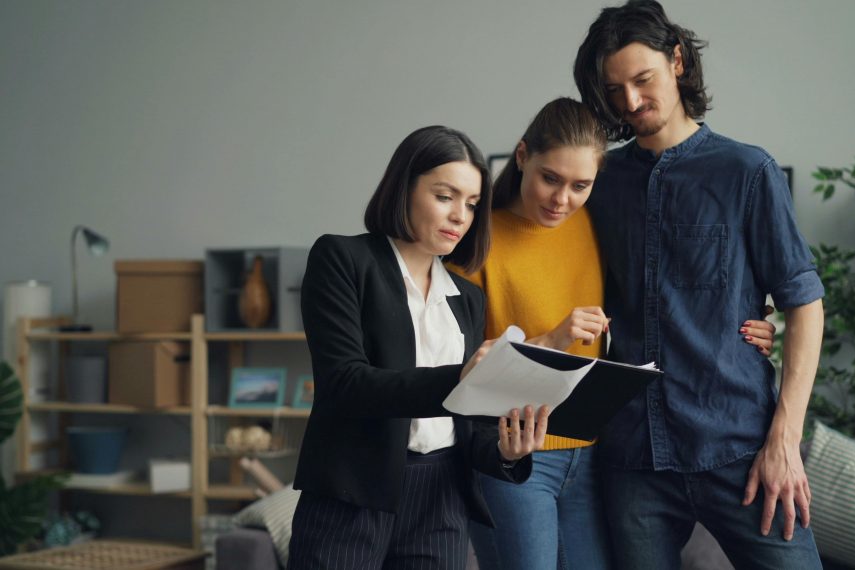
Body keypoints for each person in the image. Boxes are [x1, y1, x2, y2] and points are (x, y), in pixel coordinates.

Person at [451, 98, 777, 569]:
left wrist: (753, 322)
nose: (561, 199)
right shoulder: (476, 241)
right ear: (522, 156)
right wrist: (552, 341)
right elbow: (459, 373)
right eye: (550, 178)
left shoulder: (593, 223)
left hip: (590, 455)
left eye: (580, 185)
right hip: (513, 452)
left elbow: (663, 291)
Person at [573, 1, 825, 568]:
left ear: (678, 60)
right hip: (633, 455)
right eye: (614, 90)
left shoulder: (747, 172)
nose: (630, 102)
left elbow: (804, 301)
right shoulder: (600, 183)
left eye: (643, 80)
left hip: (737, 445)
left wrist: (784, 440)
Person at [287, 125, 550, 570]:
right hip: (353, 492)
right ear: (404, 187)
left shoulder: (467, 298)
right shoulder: (342, 260)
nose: (460, 216)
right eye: (445, 196)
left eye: (472, 204)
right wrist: (462, 378)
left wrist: (507, 451)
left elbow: (470, 427)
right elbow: (345, 383)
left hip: (442, 498)